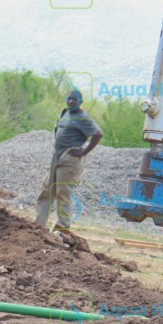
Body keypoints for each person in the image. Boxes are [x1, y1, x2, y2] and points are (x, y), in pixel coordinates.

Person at [36, 88, 102, 231]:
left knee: (63, 193)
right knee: (47, 190)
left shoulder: (83, 117)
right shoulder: (65, 113)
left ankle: (63, 228)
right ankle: (38, 226)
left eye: (75, 99)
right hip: (57, 156)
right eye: (69, 99)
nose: (71, 101)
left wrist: (84, 152)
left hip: (69, 159)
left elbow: (97, 134)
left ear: (81, 102)